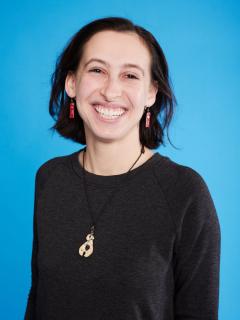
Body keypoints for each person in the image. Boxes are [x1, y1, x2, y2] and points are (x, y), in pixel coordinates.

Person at [24, 16, 221, 320]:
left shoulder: (185, 192)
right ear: (72, 83)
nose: (111, 91)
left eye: (130, 75)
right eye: (97, 70)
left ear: (151, 93)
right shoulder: (50, 178)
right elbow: (38, 300)